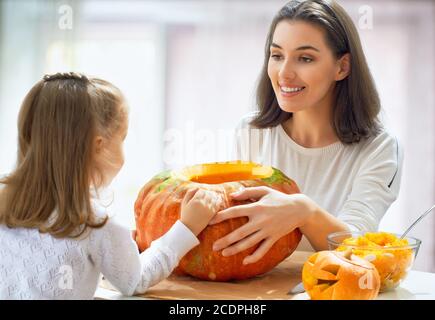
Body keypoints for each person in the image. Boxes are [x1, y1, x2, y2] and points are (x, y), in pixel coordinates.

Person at [210, 0, 403, 265]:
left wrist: (304, 212)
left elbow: (356, 250)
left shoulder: (379, 148)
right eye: (277, 55)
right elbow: (234, 226)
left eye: (305, 58)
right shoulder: (252, 131)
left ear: (342, 67)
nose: (284, 73)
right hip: (261, 289)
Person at [0, 72, 222, 299]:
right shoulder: (94, 222)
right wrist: (186, 227)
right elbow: (135, 280)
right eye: (122, 138)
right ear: (98, 146)